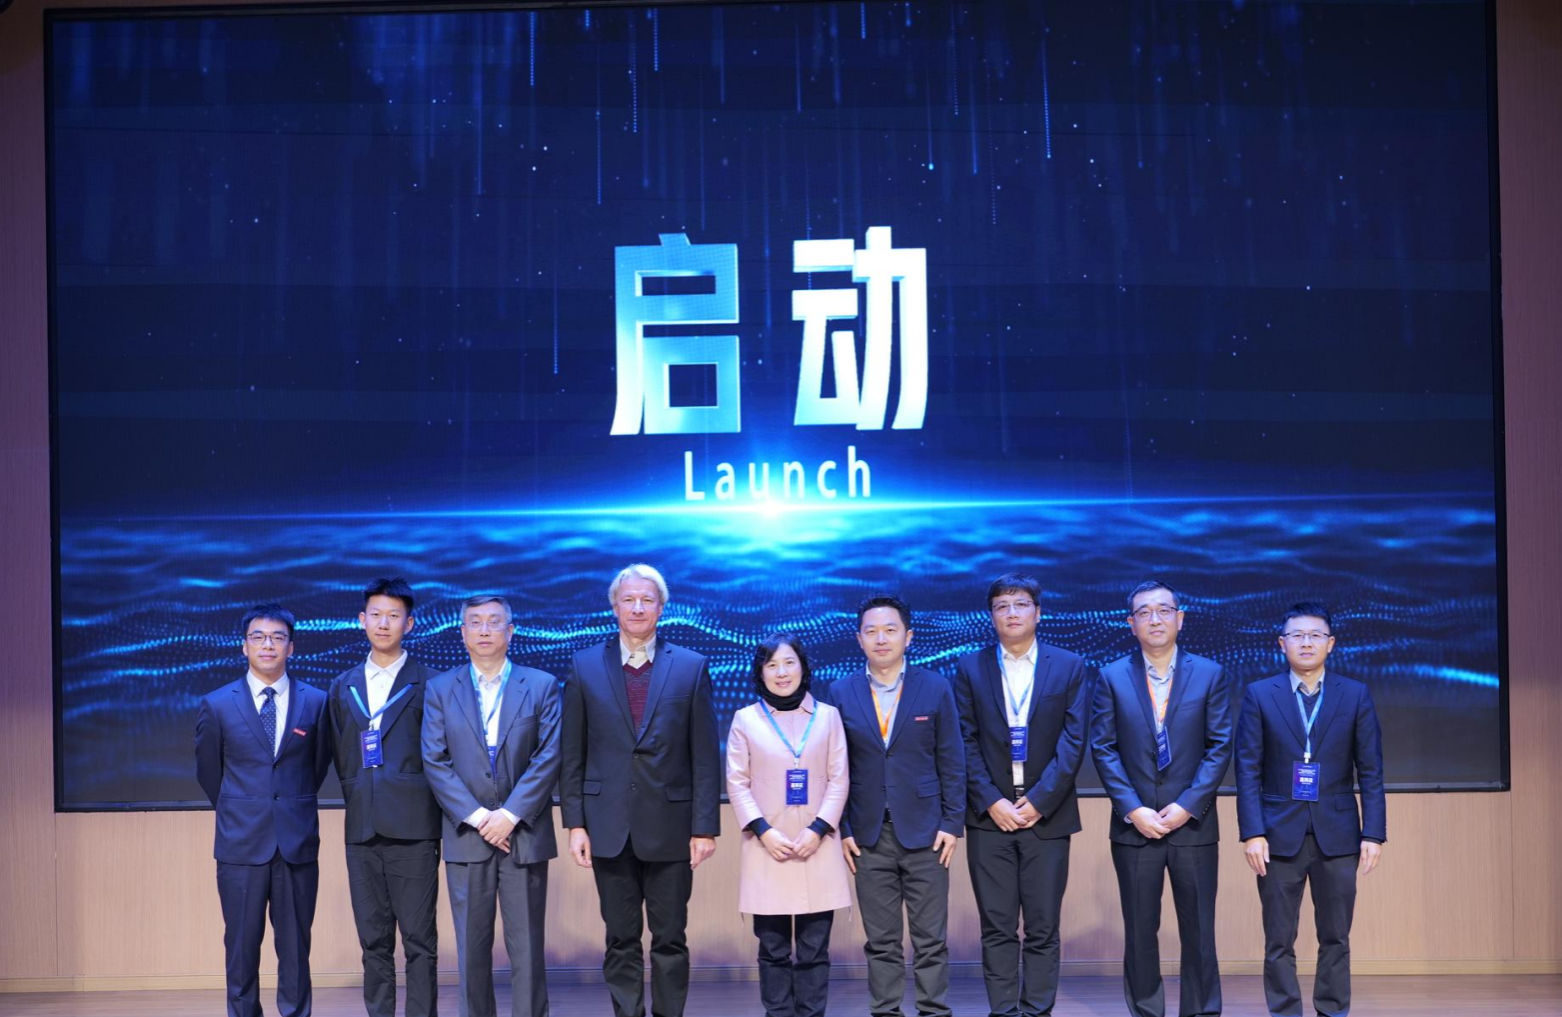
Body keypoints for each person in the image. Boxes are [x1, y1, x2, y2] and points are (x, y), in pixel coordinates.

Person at [560, 564, 721, 1017]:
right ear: (614, 606)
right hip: (607, 826)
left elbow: (705, 756)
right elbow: (572, 753)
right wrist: (575, 824)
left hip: (671, 827)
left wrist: (704, 828)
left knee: (670, 938)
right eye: (628, 599)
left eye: (647, 600)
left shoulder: (690, 666)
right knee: (620, 938)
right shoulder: (584, 665)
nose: (637, 608)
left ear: (661, 608)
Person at [1236, 602, 1385, 1017]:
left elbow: (1371, 770)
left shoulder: (1354, 694)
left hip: (1338, 836)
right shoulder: (1260, 694)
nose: (1306, 642)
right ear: (1281, 643)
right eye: (1297, 635)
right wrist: (1252, 832)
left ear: (1330, 643)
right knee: (1278, 940)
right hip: (1276, 835)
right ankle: (1285, 1011)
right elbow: (1247, 770)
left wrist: (1373, 833)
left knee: (1336, 936)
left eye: (1315, 635)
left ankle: (1332, 1010)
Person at [1090, 581, 1232, 1017]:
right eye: (1144, 612)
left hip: (1193, 825)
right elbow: (1103, 748)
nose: (1155, 619)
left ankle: (1201, 1011)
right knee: (1139, 931)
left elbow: (1219, 747)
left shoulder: (1210, 673)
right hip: (1135, 828)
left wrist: (1187, 805)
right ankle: (1146, 1011)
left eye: (1164, 610)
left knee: (1199, 931)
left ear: (1180, 619)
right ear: (1131, 623)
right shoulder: (1111, 676)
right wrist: (1133, 809)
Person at [953, 573, 1091, 1017]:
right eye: (1002, 606)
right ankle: (1003, 1011)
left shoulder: (1068, 665)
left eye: (1020, 604)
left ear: (1038, 612)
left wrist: (1040, 801)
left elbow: (1074, 742)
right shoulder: (969, 668)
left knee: (1042, 927)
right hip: (989, 817)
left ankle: (1036, 1010)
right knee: (996, 927)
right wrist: (992, 800)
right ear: (991, 615)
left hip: (1047, 817)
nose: (1011, 613)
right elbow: (963, 740)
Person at [421, 595, 561, 1017]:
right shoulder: (440, 689)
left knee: (528, 948)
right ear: (462, 633)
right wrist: (483, 818)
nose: (484, 630)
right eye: (475, 622)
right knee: (471, 949)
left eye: (494, 622)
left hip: (524, 835)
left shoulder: (541, 685)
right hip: (468, 836)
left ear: (510, 631)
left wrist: (510, 816)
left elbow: (549, 756)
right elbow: (435, 760)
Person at [828, 593, 964, 1017]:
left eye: (890, 630)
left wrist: (952, 823)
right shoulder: (841, 690)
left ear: (909, 636)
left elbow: (952, 759)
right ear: (859, 639)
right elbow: (836, 767)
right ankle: (885, 1011)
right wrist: (844, 828)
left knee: (930, 939)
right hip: (867, 835)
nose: (881, 638)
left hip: (927, 832)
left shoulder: (935, 686)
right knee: (881, 940)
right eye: (871, 631)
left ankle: (933, 1010)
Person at [195, 604, 333, 1017]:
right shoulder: (218, 704)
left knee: (296, 949)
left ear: (292, 646)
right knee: (240, 948)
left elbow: (317, 767)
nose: (267, 644)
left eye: (277, 637)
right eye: (258, 637)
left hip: (296, 844)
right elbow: (209, 774)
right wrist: (244, 808)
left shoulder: (317, 702)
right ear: (244, 646)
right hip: (240, 845)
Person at [326, 577, 442, 1017]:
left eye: (393, 615)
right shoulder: (343, 685)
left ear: (408, 624)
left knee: (419, 941)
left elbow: (441, 755)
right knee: (372, 941)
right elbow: (341, 753)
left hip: (414, 829)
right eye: (375, 614)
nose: (383, 623)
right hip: (361, 828)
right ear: (362, 620)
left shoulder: (431, 683)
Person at [727, 633, 852, 1017]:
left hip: (818, 845)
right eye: (772, 665)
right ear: (760, 672)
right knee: (773, 949)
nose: (781, 673)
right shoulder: (745, 719)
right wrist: (765, 832)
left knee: (814, 950)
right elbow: (737, 782)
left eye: (789, 663)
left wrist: (818, 829)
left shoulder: (828, 716)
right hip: (768, 847)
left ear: (803, 667)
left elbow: (839, 779)